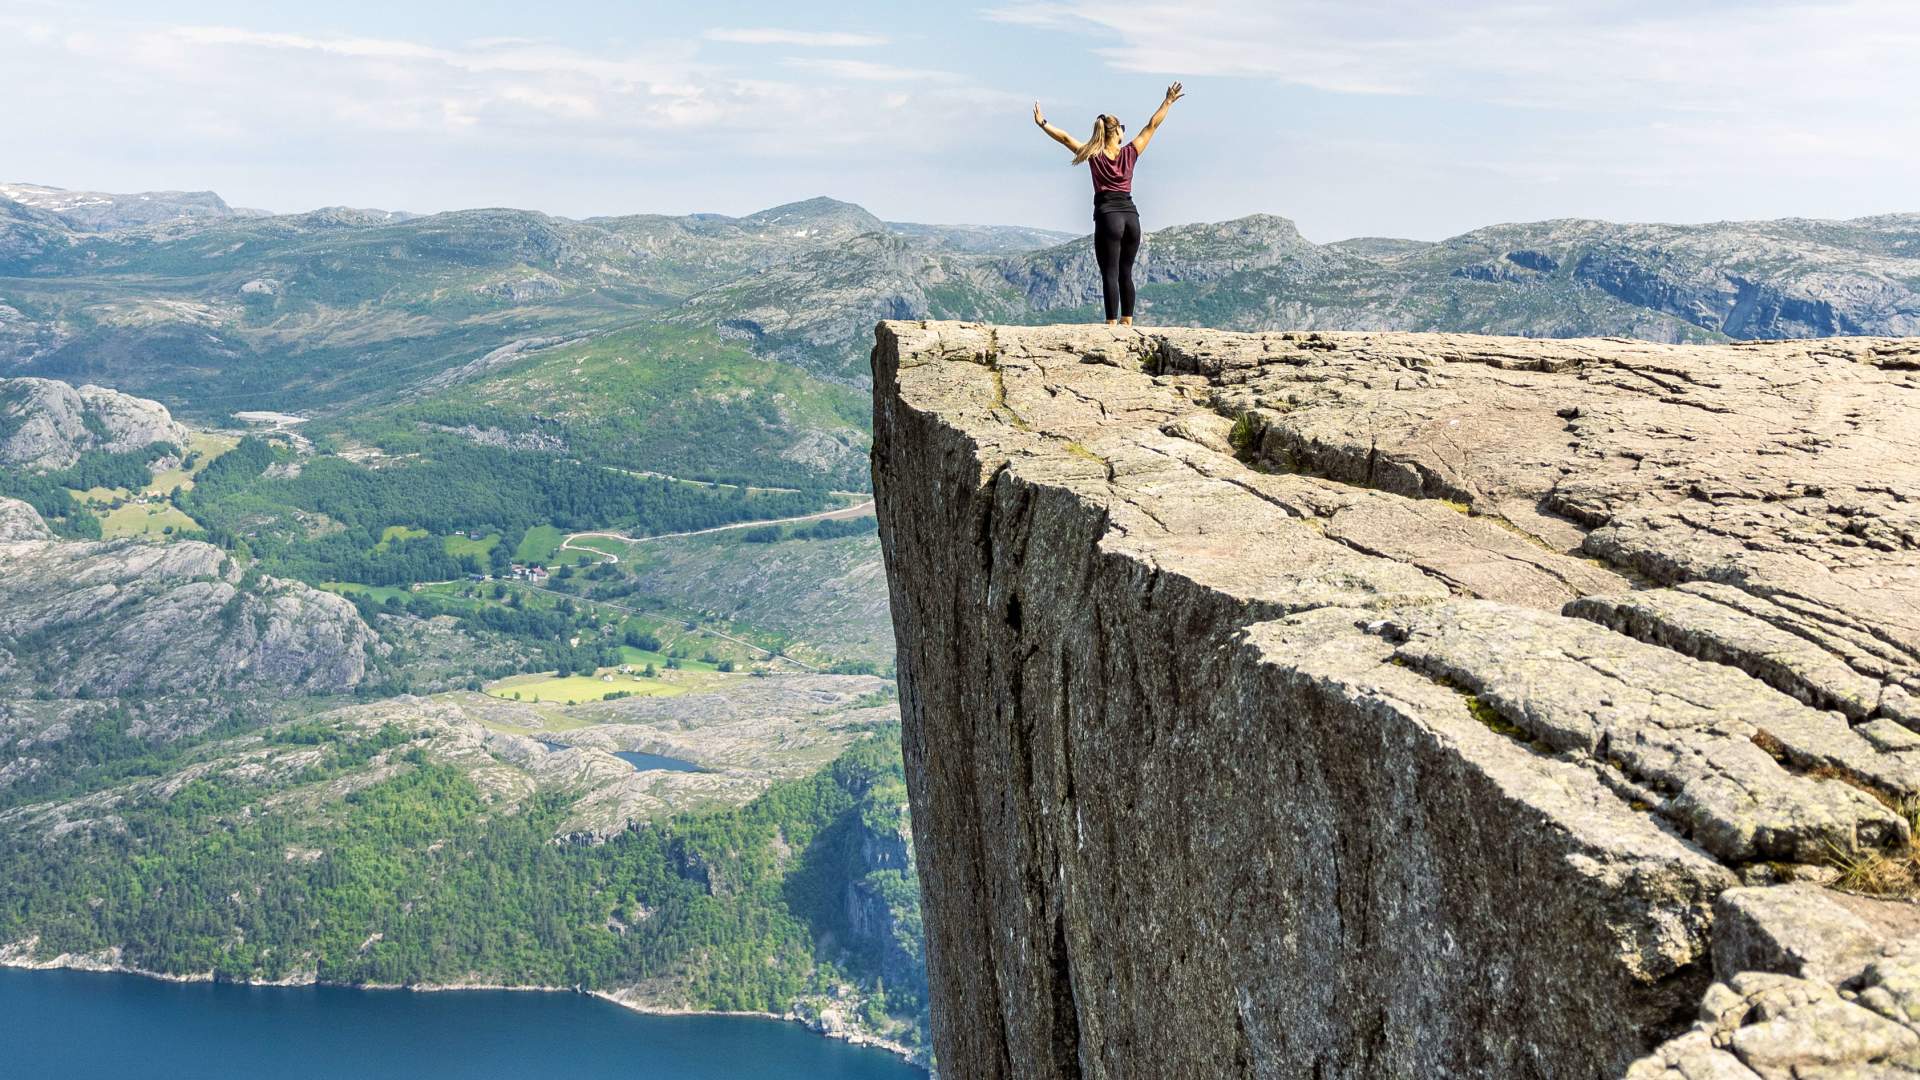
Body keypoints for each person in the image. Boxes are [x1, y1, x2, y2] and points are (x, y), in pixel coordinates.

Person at [1033, 82, 1184, 326]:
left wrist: (1043, 123)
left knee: (1110, 273)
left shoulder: (1093, 154)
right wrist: (1167, 102)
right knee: (1126, 272)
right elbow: (1152, 124)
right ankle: (1128, 322)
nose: (1126, 131)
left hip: (1108, 218)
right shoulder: (1131, 151)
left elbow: (1064, 138)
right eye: (1123, 127)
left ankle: (1111, 325)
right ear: (1117, 133)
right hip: (1131, 218)